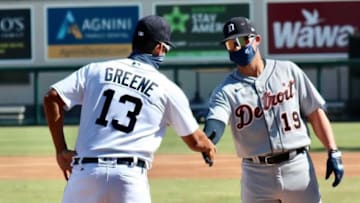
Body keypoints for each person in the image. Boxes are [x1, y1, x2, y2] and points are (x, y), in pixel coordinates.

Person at [43, 15, 216, 203]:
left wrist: (61, 151)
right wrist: (209, 147)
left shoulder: (96, 71)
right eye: (165, 49)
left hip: (85, 174)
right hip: (128, 178)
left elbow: (52, 97)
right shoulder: (166, 88)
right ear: (159, 48)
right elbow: (196, 141)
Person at [202, 16, 344, 203]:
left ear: (257, 40)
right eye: (231, 44)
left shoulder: (288, 70)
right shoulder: (225, 90)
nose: (237, 47)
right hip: (256, 175)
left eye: (242, 40)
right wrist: (208, 139)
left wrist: (333, 151)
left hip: (298, 167)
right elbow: (216, 122)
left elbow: (315, 112)